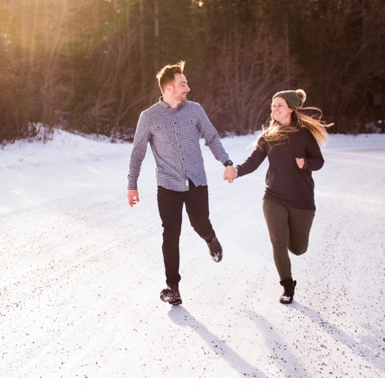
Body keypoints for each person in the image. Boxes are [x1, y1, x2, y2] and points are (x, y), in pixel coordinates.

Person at [127, 61, 234, 306]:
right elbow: (137, 152)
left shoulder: (195, 110)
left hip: (196, 181)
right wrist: (132, 184)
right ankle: (172, 286)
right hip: (167, 185)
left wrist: (226, 162)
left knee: (200, 224)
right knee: (170, 234)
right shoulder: (149, 117)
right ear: (168, 88)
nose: (188, 88)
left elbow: (212, 137)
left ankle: (210, 238)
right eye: (182, 84)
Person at [223, 89, 332, 304]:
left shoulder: (304, 135)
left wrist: (306, 163)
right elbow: (253, 162)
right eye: (273, 105)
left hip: (301, 201)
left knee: (298, 249)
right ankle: (287, 286)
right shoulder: (268, 137)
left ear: (291, 108)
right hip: (273, 197)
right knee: (278, 243)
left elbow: (318, 161)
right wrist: (236, 170)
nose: (275, 109)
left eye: (280, 105)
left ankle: (293, 245)